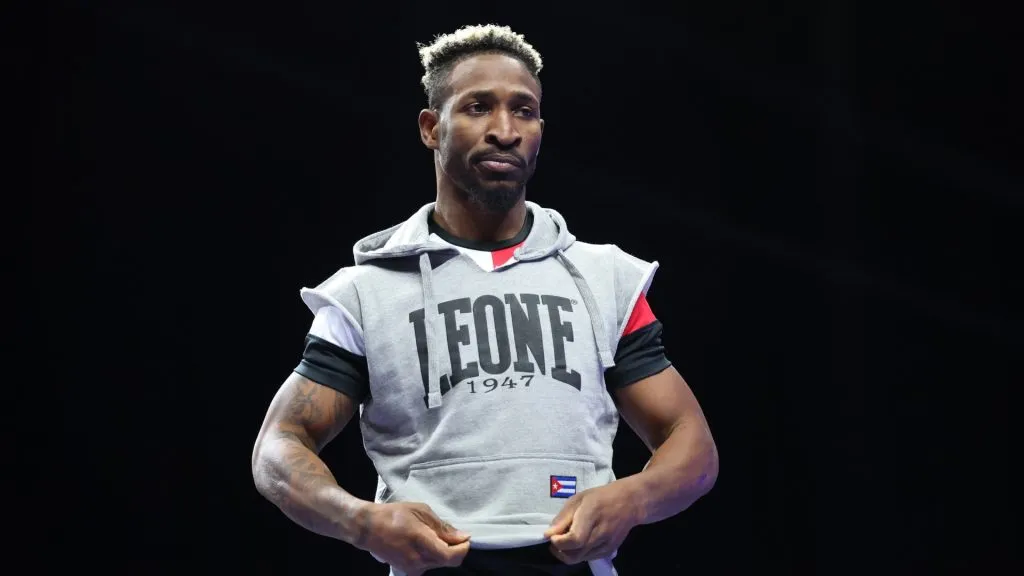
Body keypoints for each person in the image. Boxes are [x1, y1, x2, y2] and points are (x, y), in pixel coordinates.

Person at [251, 24, 719, 576]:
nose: (505, 130)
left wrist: (632, 499)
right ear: (431, 128)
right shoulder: (365, 293)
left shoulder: (604, 279)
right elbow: (279, 445)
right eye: (478, 107)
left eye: (524, 111)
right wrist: (361, 521)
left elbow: (692, 444)